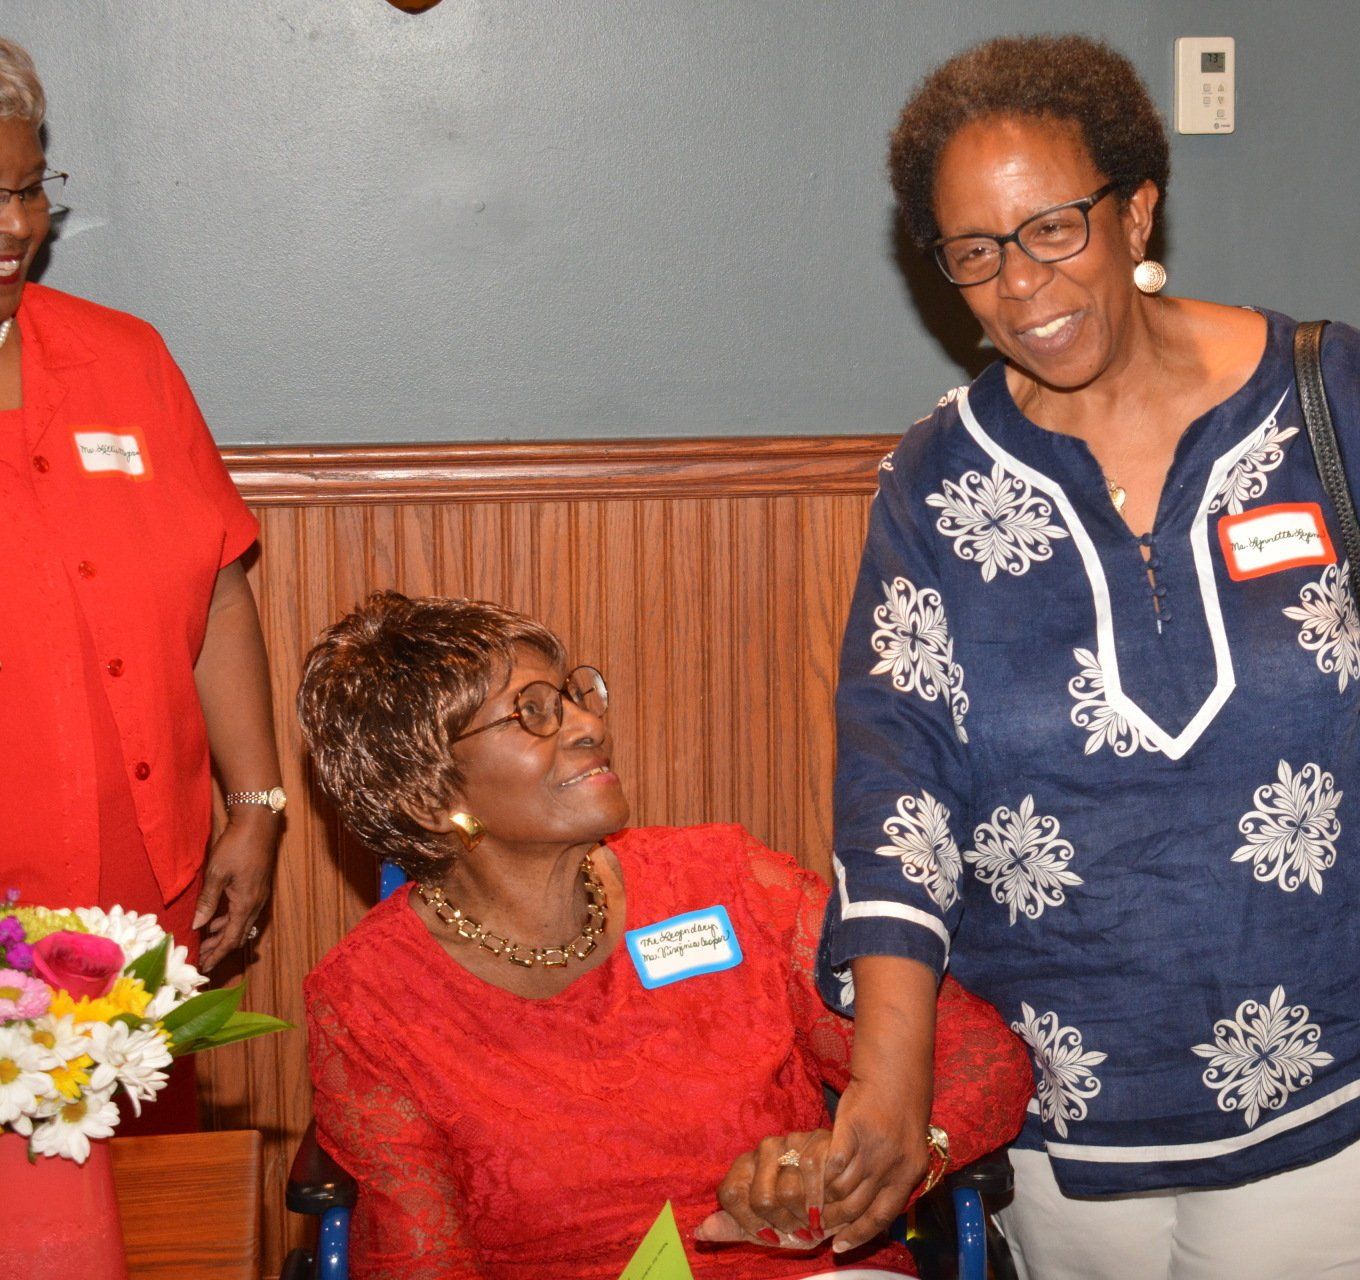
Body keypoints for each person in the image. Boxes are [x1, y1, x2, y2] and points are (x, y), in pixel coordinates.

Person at [818, 35, 1360, 1280]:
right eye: (973, 251)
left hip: (1343, 1057)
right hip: (1059, 1099)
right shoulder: (932, 482)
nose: (1019, 283)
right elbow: (897, 787)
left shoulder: (1334, 392)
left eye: (1052, 228)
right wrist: (890, 1078)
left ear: (1136, 208)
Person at [297, 591, 1030, 1280]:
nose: (588, 725)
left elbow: (980, 1055)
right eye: (533, 712)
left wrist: (885, 1160)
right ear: (429, 795)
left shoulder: (724, 881)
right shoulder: (369, 999)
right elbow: (424, 1259)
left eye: (574, 695)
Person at [0, 39, 280, 977]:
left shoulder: (126, 361)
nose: (15, 225)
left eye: (28, 191)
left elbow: (218, 595)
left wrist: (256, 807)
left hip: (142, 884)